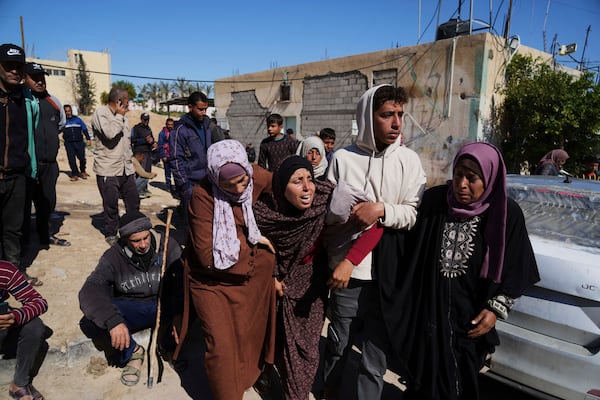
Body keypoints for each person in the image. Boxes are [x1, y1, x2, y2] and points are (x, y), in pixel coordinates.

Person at [396, 142, 540, 400]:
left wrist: (496, 309)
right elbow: (407, 249)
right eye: (458, 174)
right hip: (430, 319)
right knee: (423, 385)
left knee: (460, 387)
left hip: (470, 323)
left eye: (472, 178)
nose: (461, 184)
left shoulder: (505, 214)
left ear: (490, 178)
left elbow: (519, 268)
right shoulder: (436, 202)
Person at [321, 84, 427, 399]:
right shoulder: (342, 158)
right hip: (347, 272)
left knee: (375, 356)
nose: (396, 123)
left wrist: (380, 209)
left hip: (389, 273)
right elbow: (326, 213)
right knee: (339, 342)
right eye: (387, 115)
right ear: (368, 117)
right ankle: (330, 390)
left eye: (400, 115)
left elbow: (413, 212)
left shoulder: (409, 160)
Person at [173, 139, 276, 400]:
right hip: (211, 281)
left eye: (243, 181)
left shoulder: (254, 175)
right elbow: (208, 255)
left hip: (249, 280)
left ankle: (249, 376)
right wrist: (253, 242)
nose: (240, 189)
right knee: (221, 346)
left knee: (250, 335)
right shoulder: (202, 197)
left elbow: (284, 184)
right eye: (228, 186)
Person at [78, 211, 182, 386]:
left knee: (196, 302)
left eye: (145, 238)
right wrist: (113, 321)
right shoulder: (113, 256)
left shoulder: (168, 245)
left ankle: (168, 345)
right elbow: (90, 289)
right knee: (94, 318)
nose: (143, 245)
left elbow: (182, 282)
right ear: (125, 239)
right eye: (136, 241)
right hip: (135, 308)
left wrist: (180, 313)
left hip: (165, 305)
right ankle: (133, 351)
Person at [0, 43, 39, 280]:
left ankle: (12, 276)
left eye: (18, 67)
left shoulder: (25, 99)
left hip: (17, 177)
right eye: (9, 66)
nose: (14, 71)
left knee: (13, 231)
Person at [22, 62, 70, 249]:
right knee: (23, 206)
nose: (40, 82)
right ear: (24, 78)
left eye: (42, 78)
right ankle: (22, 242)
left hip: (49, 165)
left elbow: (59, 127)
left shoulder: (54, 102)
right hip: (26, 166)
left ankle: (45, 236)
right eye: (35, 78)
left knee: (47, 203)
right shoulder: (21, 100)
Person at [91, 87, 140, 246]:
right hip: (108, 169)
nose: (128, 105)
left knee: (133, 202)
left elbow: (126, 142)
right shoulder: (101, 113)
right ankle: (112, 233)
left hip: (126, 169)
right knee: (111, 204)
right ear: (119, 102)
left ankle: (133, 229)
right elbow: (110, 133)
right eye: (127, 102)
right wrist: (119, 115)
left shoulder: (123, 117)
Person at [169, 91, 224, 230]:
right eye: (200, 109)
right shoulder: (180, 130)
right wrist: (184, 185)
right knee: (192, 223)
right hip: (190, 183)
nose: (203, 112)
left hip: (209, 181)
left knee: (208, 220)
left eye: (205, 109)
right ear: (190, 107)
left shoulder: (207, 126)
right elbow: (175, 159)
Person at [1, 260, 52, 400]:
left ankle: (19, 384)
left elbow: (39, 302)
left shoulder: (5, 271)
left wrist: (16, 316)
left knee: (34, 326)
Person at [62, 104, 91, 181]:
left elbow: (84, 129)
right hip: (69, 143)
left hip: (79, 142)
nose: (68, 113)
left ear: (71, 111)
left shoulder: (78, 120)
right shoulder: (63, 121)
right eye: (66, 111)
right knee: (71, 159)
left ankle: (82, 171)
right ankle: (74, 174)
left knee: (82, 158)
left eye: (69, 111)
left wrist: (88, 139)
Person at [130, 113, 156, 197]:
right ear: (141, 119)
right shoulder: (136, 128)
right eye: (145, 119)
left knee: (147, 171)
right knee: (140, 172)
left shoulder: (149, 129)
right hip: (139, 152)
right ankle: (137, 190)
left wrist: (152, 142)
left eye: (148, 119)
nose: (146, 121)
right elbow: (132, 140)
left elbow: (152, 139)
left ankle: (144, 188)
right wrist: (144, 140)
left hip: (148, 152)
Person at [157, 117, 175, 193]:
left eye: (171, 125)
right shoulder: (162, 133)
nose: (170, 126)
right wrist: (163, 155)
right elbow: (160, 145)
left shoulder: (175, 132)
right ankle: (168, 186)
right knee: (167, 172)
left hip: (174, 155)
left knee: (176, 172)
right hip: (166, 155)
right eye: (169, 124)